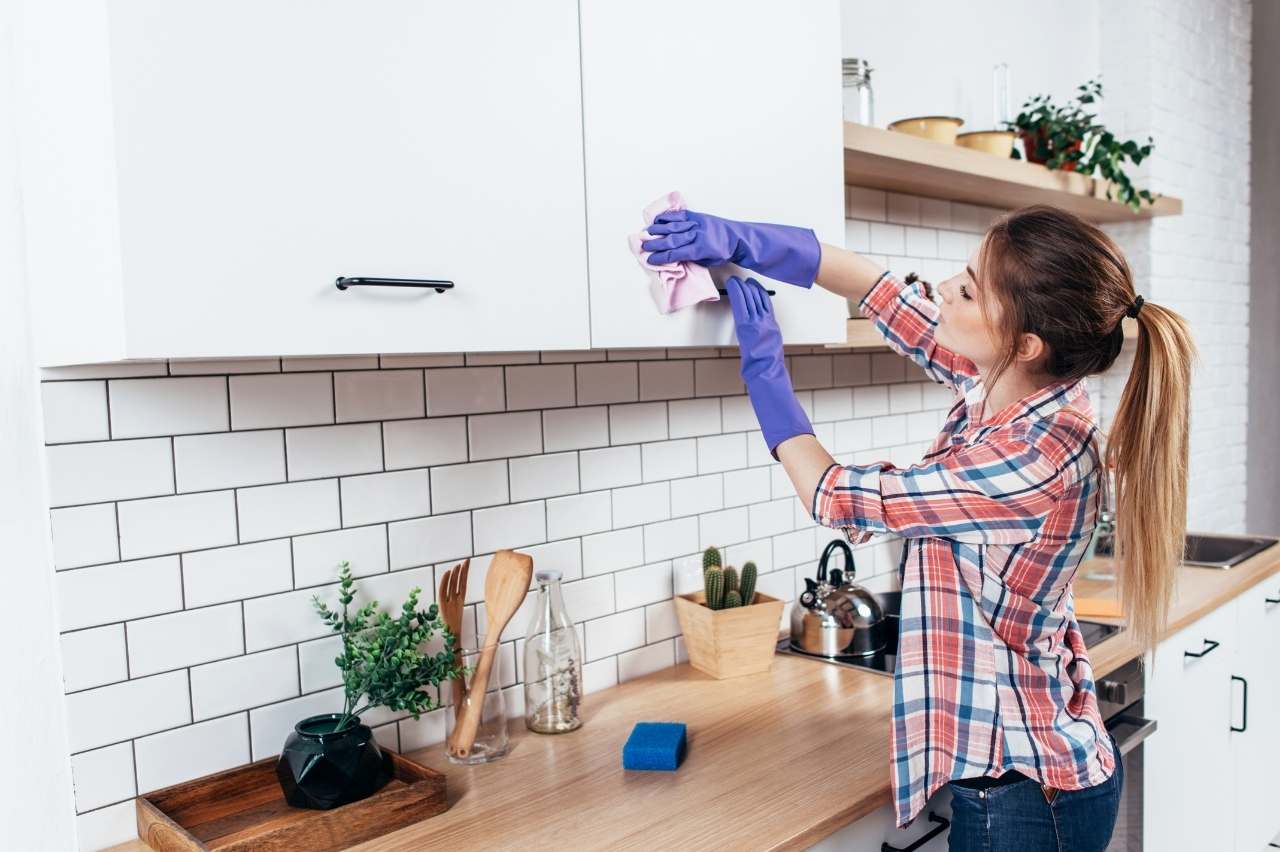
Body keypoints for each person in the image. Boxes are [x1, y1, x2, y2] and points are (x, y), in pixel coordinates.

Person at [642, 204, 1194, 852]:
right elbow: (878, 290)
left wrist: (764, 372)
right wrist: (741, 238)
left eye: (968, 288)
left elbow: (835, 496)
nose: (944, 289)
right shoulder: (1017, 384)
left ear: (1025, 343)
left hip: (1024, 793)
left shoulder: (1030, 457)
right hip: (1033, 767)